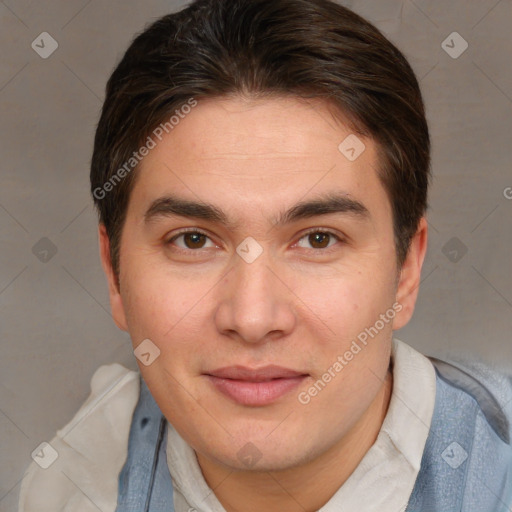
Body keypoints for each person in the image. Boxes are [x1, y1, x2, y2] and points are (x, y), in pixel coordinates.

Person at [18, 0, 512, 511]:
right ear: (114, 272)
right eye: (193, 240)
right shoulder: (75, 482)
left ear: (406, 271)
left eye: (319, 239)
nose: (252, 319)